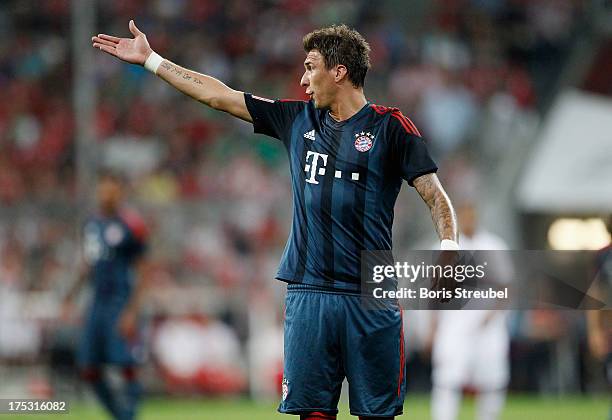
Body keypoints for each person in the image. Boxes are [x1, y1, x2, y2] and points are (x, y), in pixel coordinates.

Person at [92, 22, 458, 419]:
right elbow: (219, 97)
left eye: (310, 67)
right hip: (309, 291)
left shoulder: (391, 127)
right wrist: (152, 60)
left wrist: (449, 249)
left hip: (371, 296)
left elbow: (436, 195)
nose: (302, 80)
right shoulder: (296, 120)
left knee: (377, 414)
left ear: (339, 72)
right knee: (313, 412)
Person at [62, 171, 149, 420]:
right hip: (97, 302)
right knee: (89, 368)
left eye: (111, 188)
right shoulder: (91, 223)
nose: (105, 193)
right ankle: (119, 415)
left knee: (126, 365)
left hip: (121, 301)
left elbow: (144, 271)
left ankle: (129, 416)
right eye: (102, 188)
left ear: (120, 191)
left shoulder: (132, 224)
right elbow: (89, 264)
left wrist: (132, 311)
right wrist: (70, 295)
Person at [429, 202, 511, 420]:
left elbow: (506, 287)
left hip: (488, 327)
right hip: (453, 325)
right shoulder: (444, 248)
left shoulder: (494, 246)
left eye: (470, 215)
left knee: (492, 381)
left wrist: (493, 314)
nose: (467, 220)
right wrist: (432, 326)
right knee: (447, 380)